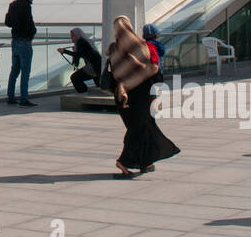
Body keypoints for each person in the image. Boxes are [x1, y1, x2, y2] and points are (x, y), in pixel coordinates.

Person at [106, 16, 179, 178]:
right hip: (139, 94)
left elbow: (119, 73)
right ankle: (124, 161)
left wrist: (127, 83)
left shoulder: (113, 49)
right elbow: (151, 68)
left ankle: (145, 161)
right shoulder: (139, 45)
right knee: (138, 128)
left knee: (143, 127)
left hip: (123, 96)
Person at [4, 0, 37, 107]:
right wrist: (33, 32)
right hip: (24, 41)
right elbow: (29, 23)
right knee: (25, 71)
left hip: (15, 41)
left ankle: (11, 96)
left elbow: (8, 22)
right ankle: (24, 98)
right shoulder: (26, 6)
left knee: (14, 70)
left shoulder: (13, 5)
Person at [58, 27, 102, 93]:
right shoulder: (84, 42)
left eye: (73, 36)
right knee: (99, 84)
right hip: (98, 65)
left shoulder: (81, 42)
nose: (71, 38)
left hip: (93, 66)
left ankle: (84, 93)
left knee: (74, 78)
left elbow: (77, 55)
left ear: (78, 35)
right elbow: (80, 55)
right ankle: (89, 93)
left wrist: (64, 51)